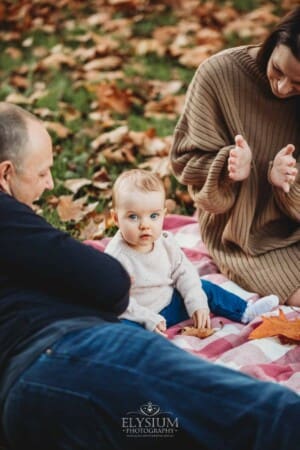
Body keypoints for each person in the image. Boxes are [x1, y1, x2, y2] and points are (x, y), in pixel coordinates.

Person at [1, 102, 300, 450]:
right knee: (263, 417)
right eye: (41, 174)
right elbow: (109, 281)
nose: (51, 184)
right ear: (5, 173)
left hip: (26, 411)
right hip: (75, 359)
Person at [170, 6, 300, 307]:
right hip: (243, 237)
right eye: (278, 70)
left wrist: (290, 181)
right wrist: (226, 168)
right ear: (274, 41)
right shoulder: (219, 74)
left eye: (298, 85)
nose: (282, 88)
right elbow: (184, 162)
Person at [105, 169, 278, 336]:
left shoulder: (165, 242)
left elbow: (184, 272)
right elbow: (118, 301)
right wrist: (148, 319)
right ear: (115, 218)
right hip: (138, 316)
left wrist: (196, 302)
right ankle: (146, 347)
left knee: (204, 288)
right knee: (120, 328)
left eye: (154, 216)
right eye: (133, 217)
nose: (145, 225)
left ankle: (245, 311)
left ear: (164, 214)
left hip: (168, 303)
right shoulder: (116, 257)